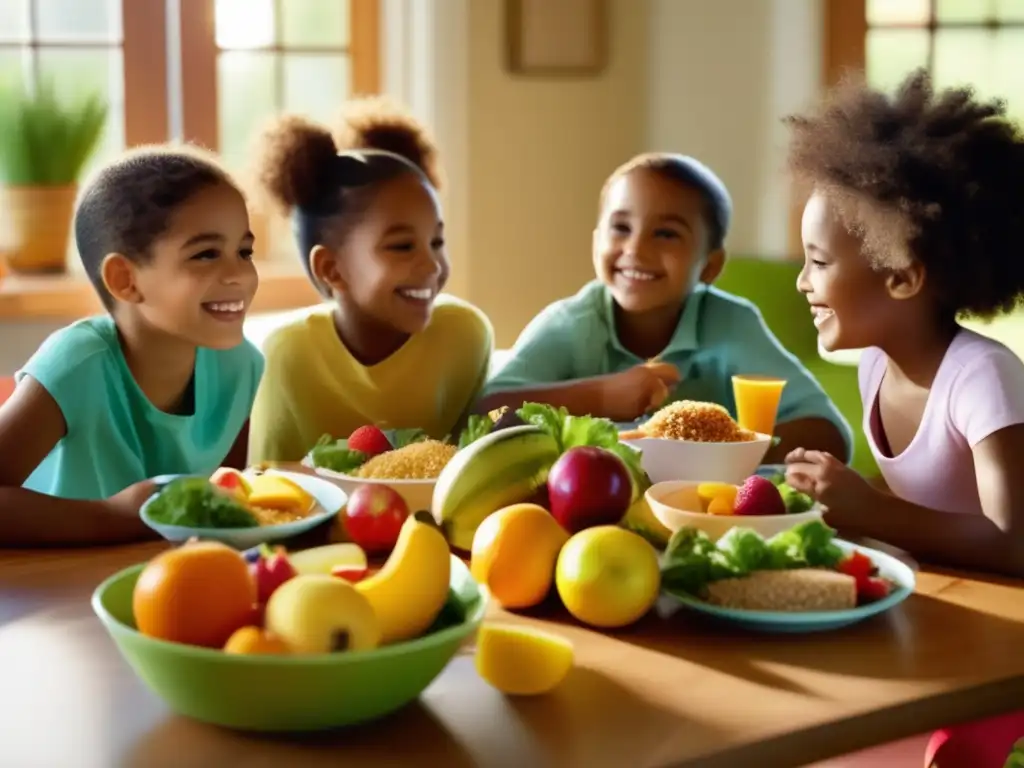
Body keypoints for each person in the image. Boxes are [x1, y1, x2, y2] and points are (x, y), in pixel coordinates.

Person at [782, 69, 1024, 767]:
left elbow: (1014, 543)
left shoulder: (985, 379)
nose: (802, 282)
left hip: (1000, 657)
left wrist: (872, 512)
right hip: (940, 619)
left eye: (818, 262)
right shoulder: (872, 365)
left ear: (903, 276)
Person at [479, 152, 851, 464]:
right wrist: (600, 398)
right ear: (596, 242)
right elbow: (485, 415)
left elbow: (829, 436)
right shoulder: (571, 326)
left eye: (666, 234)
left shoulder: (730, 325)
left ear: (709, 266)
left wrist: (707, 451)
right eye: (621, 228)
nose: (636, 250)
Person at [0, 146, 263, 547]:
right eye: (206, 253)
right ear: (126, 280)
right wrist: (111, 515)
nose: (239, 274)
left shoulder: (242, 366)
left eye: (244, 251)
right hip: (55, 586)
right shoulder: (77, 365)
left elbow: (221, 505)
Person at [247, 97, 492, 463]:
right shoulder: (286, 355)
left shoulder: (466, 336)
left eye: (436, 241)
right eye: (402, 246)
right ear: (331, 269)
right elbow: (270, 484)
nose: (432, 265)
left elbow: (473, 466)